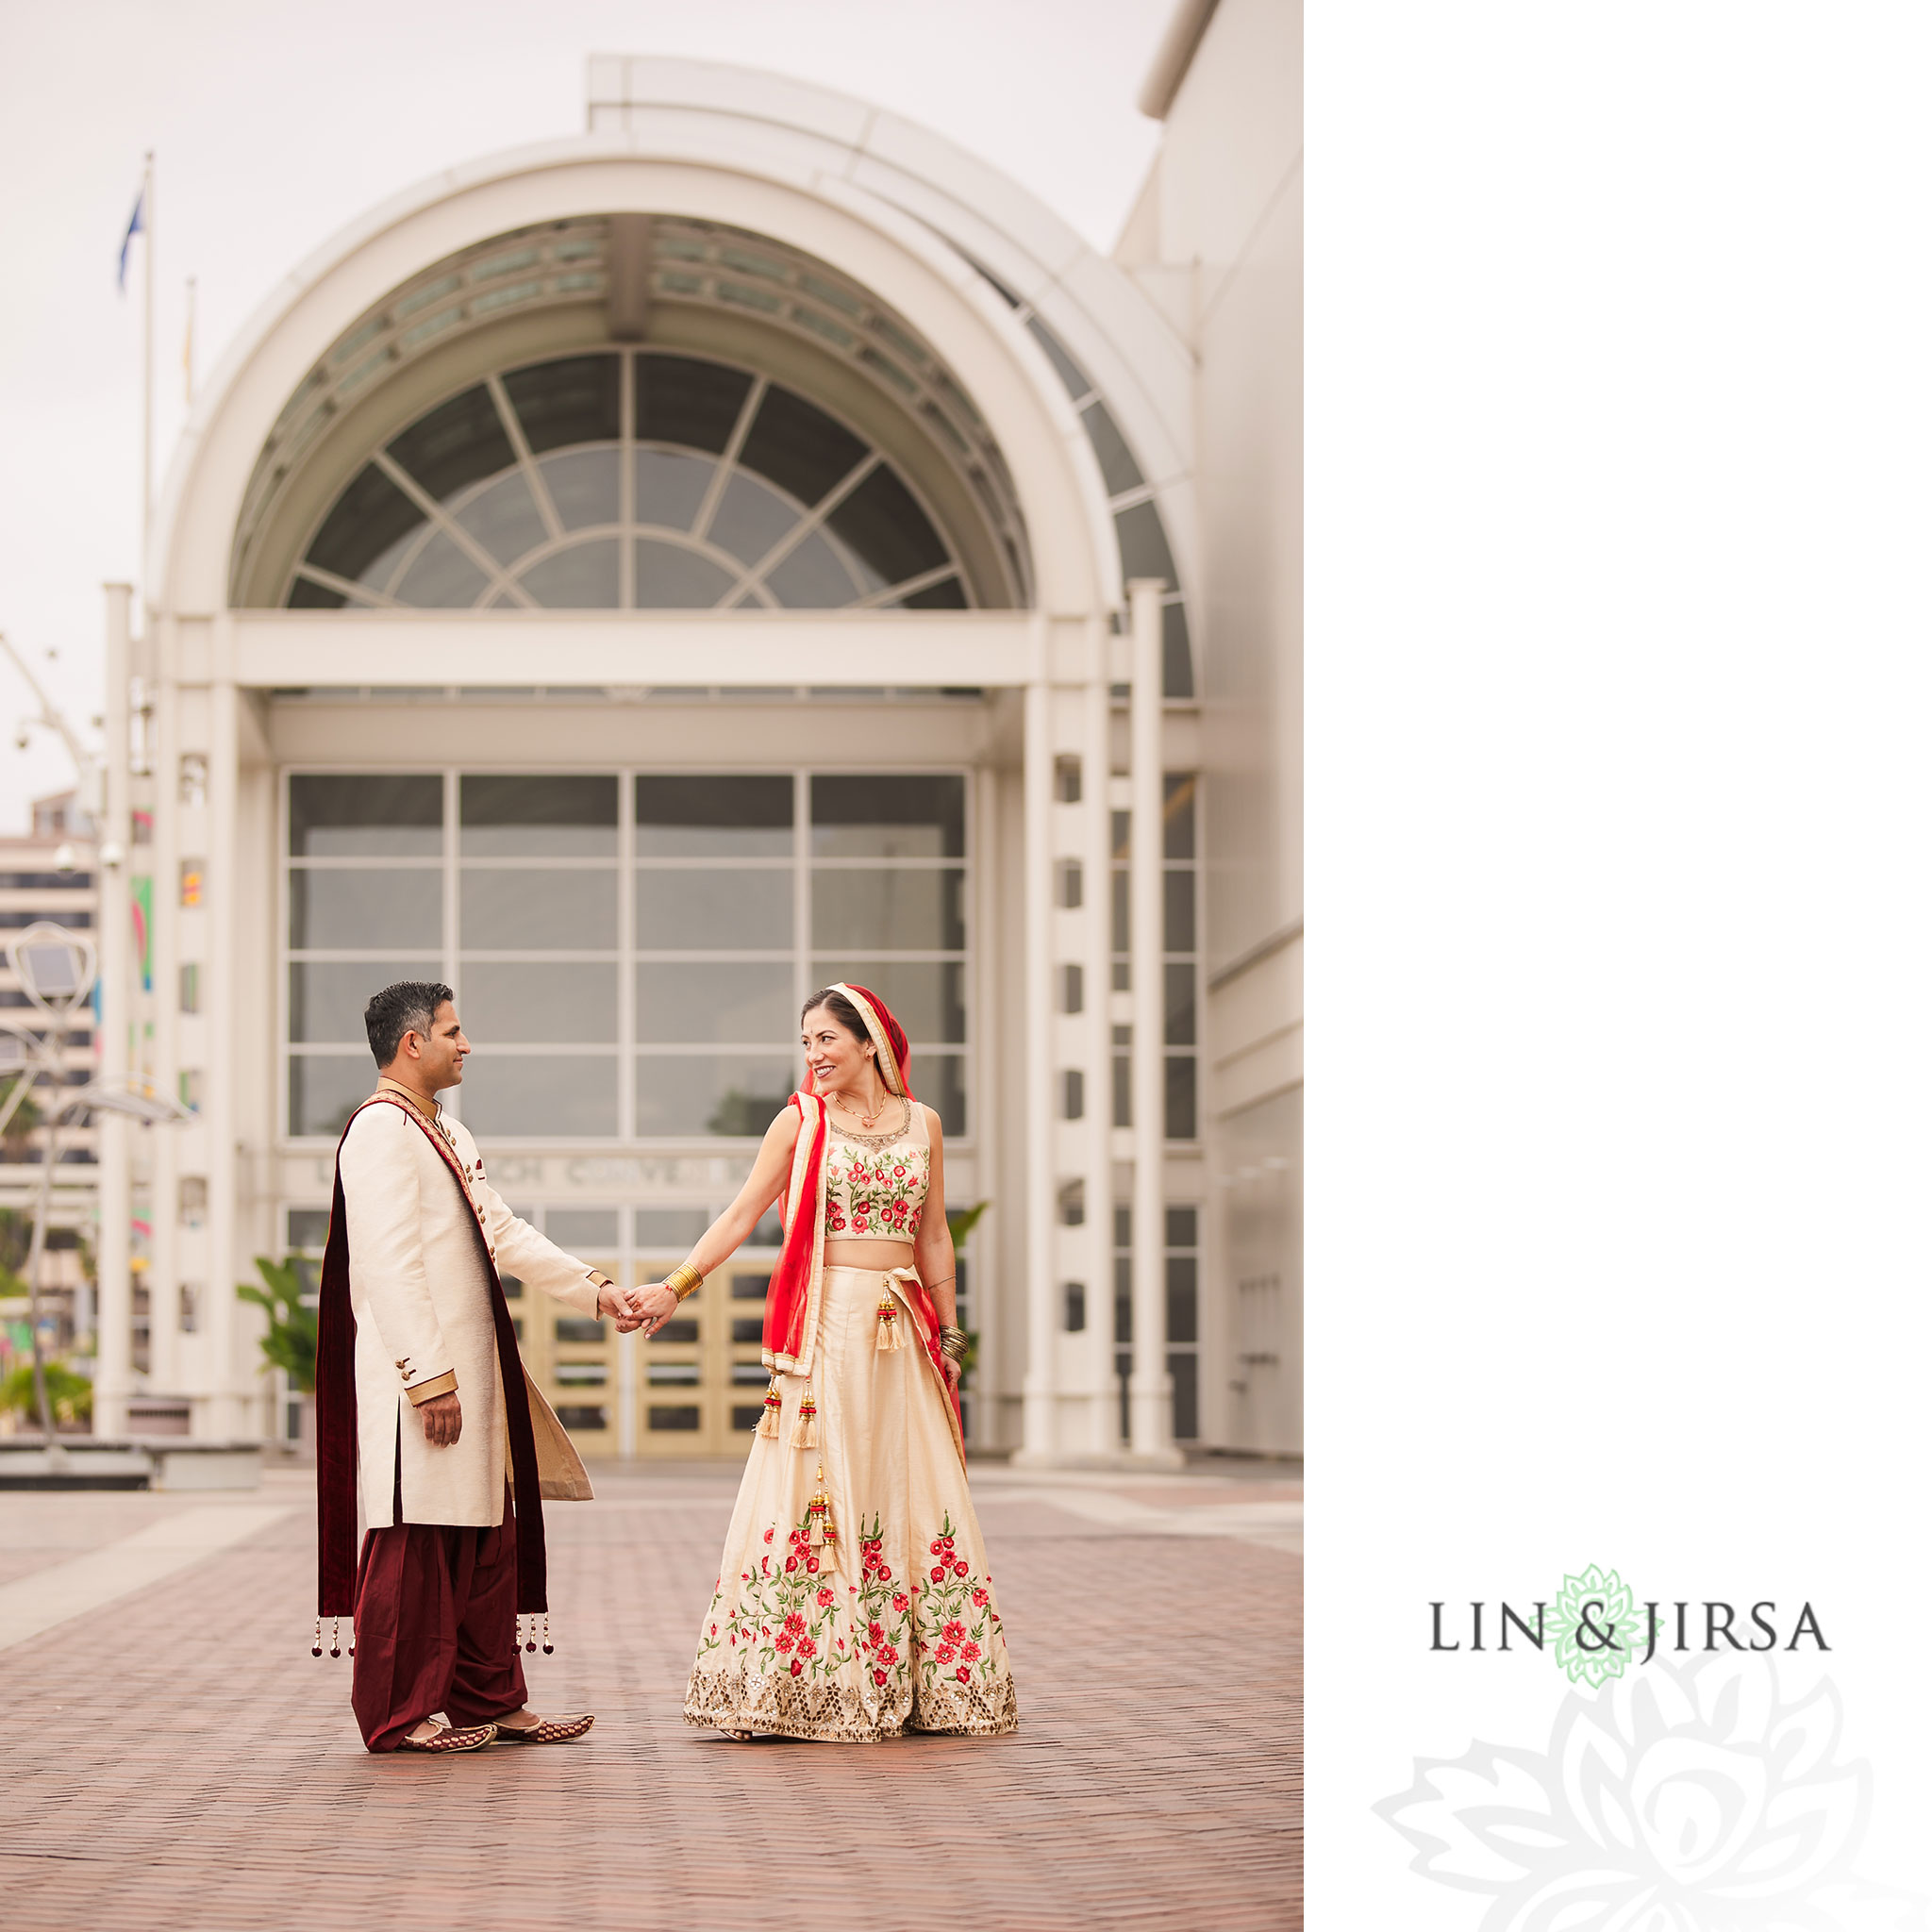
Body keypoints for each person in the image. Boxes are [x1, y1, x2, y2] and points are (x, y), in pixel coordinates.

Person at [640, 982, 1019, 1741]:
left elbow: (934, 1233)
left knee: (911, 1485)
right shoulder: (799, 1123)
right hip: (829, 1325)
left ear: (869, 1039)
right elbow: (744, 1212)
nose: (812, 1054)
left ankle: (926, 1687)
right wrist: (677, 1285)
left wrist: (949, 1330)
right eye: (805, 1040)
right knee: (824, 1490)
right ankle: (800, 1684)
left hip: (901, 1327)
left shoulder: (924, 1125)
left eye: (826, 1039)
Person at [314, 980, 646, 1754]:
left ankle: (487, 1703)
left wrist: (600, 1293)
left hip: (477, 1378)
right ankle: (398, 1716)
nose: (466, 1046)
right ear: (411, 1044)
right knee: (415, 1551)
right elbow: (388, 1266)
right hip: (424, 1386)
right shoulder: (379, 1132)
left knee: (483, 1545)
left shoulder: (448, 1135)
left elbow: (507, 1234)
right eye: (454, 1032)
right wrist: (427, 1378)